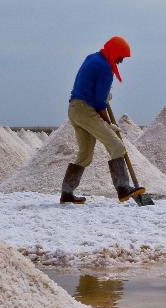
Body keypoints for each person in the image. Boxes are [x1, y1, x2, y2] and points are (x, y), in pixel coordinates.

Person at [60, 36, 145, 204]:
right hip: (86, 110)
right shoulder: (105, 68)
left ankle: (67, 193)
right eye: (121, 57)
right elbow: (99, 103)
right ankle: (123, 189)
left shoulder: (92, 58)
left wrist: (103, 96)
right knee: (117, 146)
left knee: (85, 154)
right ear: (115, 52)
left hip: (74, 109)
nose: (121, 61)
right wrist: (108, 124)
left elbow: (91, 88)